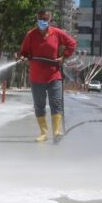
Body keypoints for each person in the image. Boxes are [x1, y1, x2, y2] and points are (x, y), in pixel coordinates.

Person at [18, 9, 76, 142]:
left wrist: (63, 57)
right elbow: (23, 52)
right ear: (37, 18)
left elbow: (72, 44)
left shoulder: (57, 33)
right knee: (39, 105)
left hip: (54, 75)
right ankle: (43, 133)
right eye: (40, 18)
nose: (42, 21)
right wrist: (23, 58)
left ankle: (56, 132)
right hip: (36, 77)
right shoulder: (31, 35)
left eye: (45, 19)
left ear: (50, 20)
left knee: (56, 103)